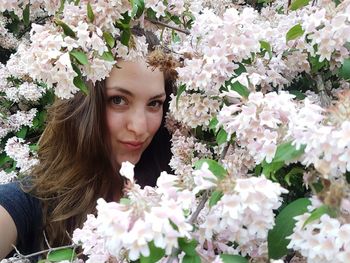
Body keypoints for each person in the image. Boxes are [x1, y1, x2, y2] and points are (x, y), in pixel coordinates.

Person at [0, 32, 176, 260]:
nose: (140, 127)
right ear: (81, 107)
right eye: (118, 100)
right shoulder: (31, 203)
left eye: (154, 104)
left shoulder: (177, 189)